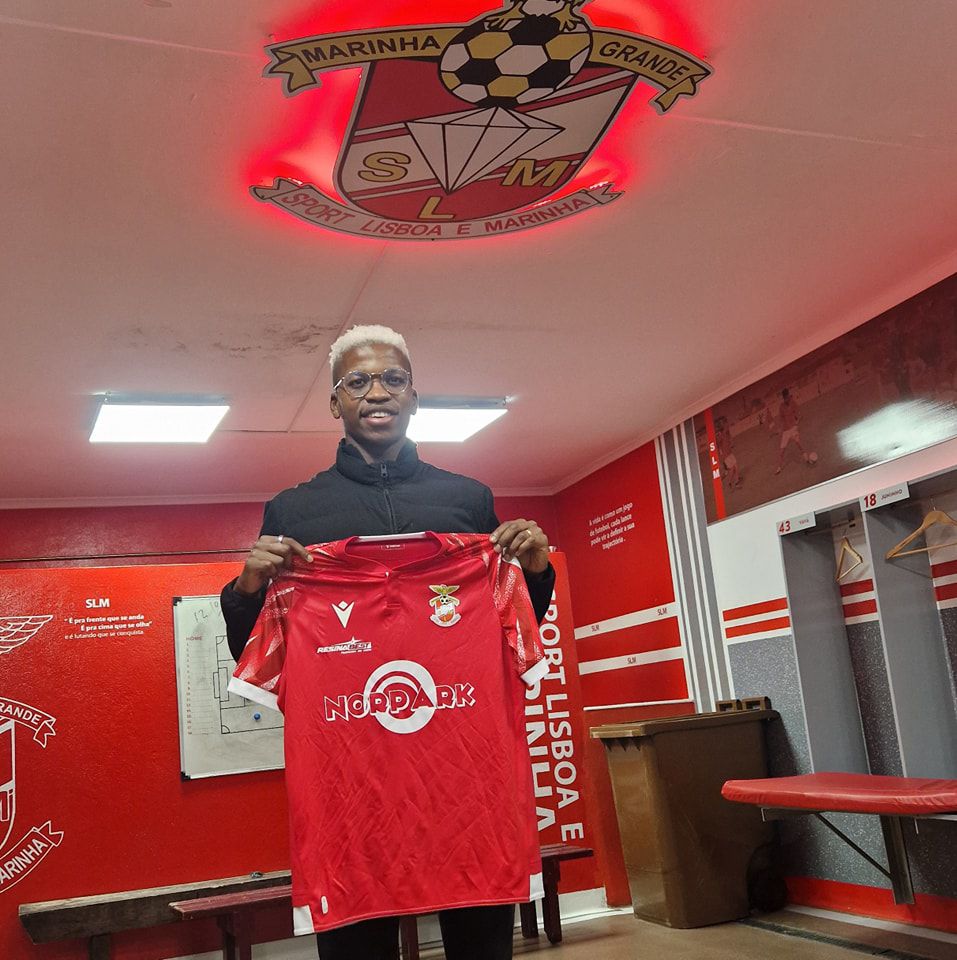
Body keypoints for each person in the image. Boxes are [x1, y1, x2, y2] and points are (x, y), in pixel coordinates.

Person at [221, 324, 554, 960]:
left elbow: (508, 629)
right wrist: (247, 588)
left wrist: (535, 571)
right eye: (358, 381)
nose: (378, 392)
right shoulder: (295, 512)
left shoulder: (468, 501)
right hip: (352, 793)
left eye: (393, 379)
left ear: (414, 395)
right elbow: (259, 647)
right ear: (335, 402)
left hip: (465, 785)